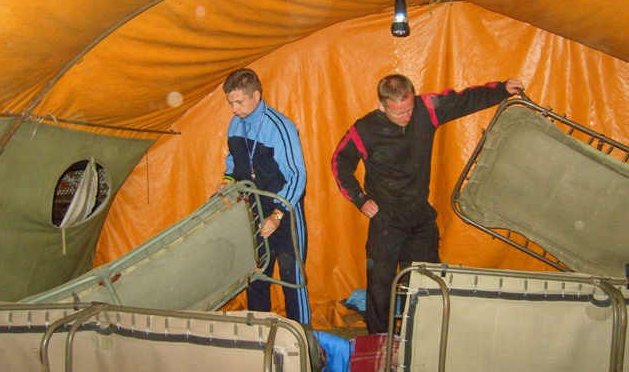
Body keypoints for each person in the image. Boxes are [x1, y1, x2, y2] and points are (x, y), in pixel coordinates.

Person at [331, 74, 524, 334]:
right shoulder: (364, 130)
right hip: (385, 218)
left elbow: (464, 100)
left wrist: (501, 89)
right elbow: (339, 162)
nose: (407, 117)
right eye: (399, 113)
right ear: (382, 106)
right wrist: (359, 199)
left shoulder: (426, 108)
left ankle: (422, 335)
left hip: (419, 214)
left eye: (409, 109)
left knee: (426, 282)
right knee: (380, 285)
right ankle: (380, 339)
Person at [217, 68, 311, 325]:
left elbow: (297, 176)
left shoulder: (281, 127)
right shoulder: (235, 124)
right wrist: (228, 181)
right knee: (256, 276)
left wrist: (277, 214)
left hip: (285, 210)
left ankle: (302, 335)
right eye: (230, 103)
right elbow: (233, 162)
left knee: (292, 279)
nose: (234, 109)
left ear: (256, 96)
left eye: (239, 102)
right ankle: (258, 334)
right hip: (254, 209)